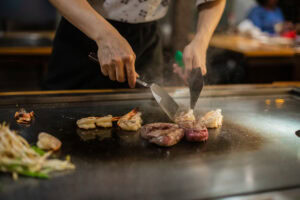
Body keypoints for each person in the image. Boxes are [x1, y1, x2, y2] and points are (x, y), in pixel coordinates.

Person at [44, 0, 226, 90]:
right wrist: (105, 35)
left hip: (147, 38)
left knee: (144, 124)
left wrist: (201, 41)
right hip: (86, 29)